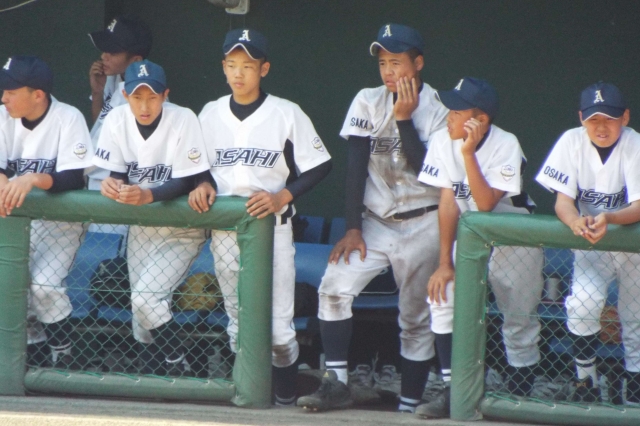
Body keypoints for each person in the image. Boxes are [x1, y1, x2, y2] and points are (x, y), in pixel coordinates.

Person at [296, 23, 447, 413]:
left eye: (396, 62)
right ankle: (337, 385)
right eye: (382, 63)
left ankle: (409, 404)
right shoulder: (367, 100)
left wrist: (404, 119)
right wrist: (353, 228)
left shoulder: (440, 107)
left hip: (425, 220)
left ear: (418, 63)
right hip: (377, 222)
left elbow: (429, 172)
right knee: (334, 287)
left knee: (415, 317)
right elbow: (355, 167)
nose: (388, 71)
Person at [190, 28, 332, 406]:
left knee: (279, 333)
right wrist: (201, 182)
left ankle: (283, 400)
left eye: (248, 66)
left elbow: (320, 165)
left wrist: (284, 195)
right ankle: (248, 400)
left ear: (264, 69)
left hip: (273, 228)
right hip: (226, 230)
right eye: (232, 64)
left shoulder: (286, 112)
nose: (239, 73)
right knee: (239, 324)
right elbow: (196, 166)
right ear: (223, 67)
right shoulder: (209, 113)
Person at [415, 77, 544, 418]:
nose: (449, 117)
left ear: (481, 119)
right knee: (442, 297)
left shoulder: (506, 143)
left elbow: (486, 204)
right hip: (472, 235)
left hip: (515, 236)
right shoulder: (442, 139)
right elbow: (448, 202)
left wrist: (468, 153)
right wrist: (444, 262)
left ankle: (519, 393)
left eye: (458, 112)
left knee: (518, 317)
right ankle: (452, 388)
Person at [93, 59, 209, 375]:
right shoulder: (117, 119)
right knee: (141, 317)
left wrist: (147, 195)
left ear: (165, 94)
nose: (144, 106)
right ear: (125, 95)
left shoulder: (183, 118)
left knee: (146, 300)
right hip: (142, 227)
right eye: (137, 97)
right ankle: (154, 381)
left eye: (152, 97)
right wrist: (113, 184)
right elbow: (118, 173)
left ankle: (179, 364)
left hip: (181, 226)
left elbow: (188, 179)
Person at [536, 82, 640, 405]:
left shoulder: (635, 144)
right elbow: (563, 202)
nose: (601, 127)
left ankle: (635, 388)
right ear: (582, 118)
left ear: (625, 117)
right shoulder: (571, 141)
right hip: (592, 240)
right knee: (582, 304)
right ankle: (587, 382)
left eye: (609, 118)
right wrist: (574, 221)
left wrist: (609, 217)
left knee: (636, 316)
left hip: (633, 243)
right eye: (594, 119)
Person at [0, 55, 94, 368]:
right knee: (15, 286)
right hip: (18, 218)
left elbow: (74, 178)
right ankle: (34, 358)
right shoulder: (3, 117)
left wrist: (32, 178)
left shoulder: (68, 117)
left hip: (60, 220)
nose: (4, 97)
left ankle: (65, 357)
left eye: (11, 91)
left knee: (44, 286)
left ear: (38, 94)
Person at [87, 15, 152, 194]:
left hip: (121, 185)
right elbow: (101, 126)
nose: (103, 56)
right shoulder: (113, 77)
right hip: (99, 178)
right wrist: (97, 93)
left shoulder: (146, 96)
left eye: (113, 52)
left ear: (136, 61)